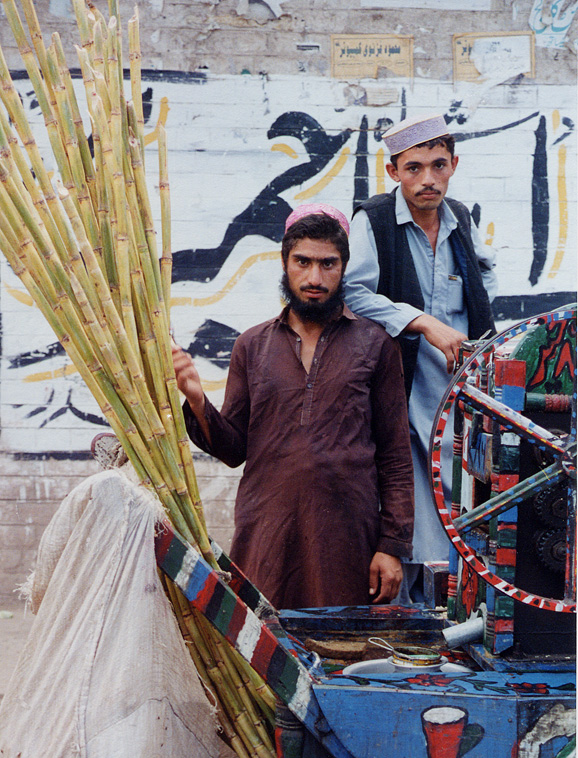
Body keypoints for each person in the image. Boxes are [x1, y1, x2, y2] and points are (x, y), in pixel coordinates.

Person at [172, 204, 414, 610]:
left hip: (347, 535)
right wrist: (196, 399)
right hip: (267, 529)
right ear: (284, 263)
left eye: (328, 264)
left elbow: (395, 458)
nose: (314, 278)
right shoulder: (252, 345)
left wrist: (391, 546)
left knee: (341, 651)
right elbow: (234, 449)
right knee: (265, 647)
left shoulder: (376, 345)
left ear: (344, 267)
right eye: (302, 262)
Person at [343, 113, 497, 603]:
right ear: (393, 172)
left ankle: (452, 607)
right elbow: (352, 290)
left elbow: (486, 280)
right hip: (399, 384)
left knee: (459, 490)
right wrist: (421, 321)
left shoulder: (461, 221)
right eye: (413, 168)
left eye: (437, 166)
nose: (427, 179)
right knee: (408, 488)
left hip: (456, 386)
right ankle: (415, 610)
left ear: (454, 165)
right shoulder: (373, 219)